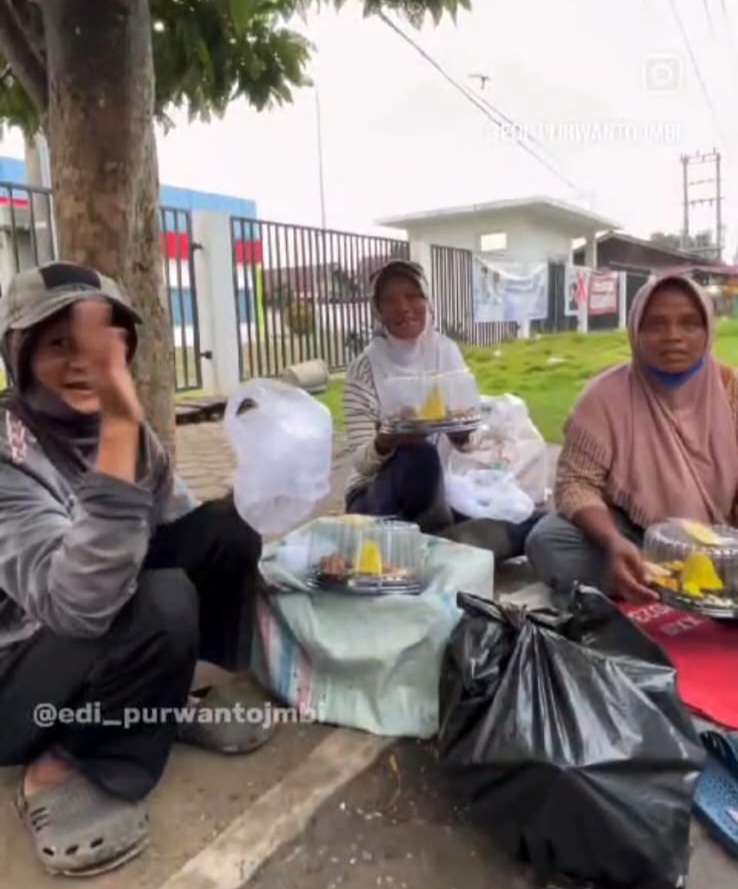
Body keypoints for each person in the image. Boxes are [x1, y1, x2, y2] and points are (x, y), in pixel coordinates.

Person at [0, 261, 272, 877]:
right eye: (59, 344)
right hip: (16, 671)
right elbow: (76, 604)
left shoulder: (129, 432)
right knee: (163, 601)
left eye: (100, 345)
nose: (84, 364)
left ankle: (168, 699)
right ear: (20, 354)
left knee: (227, 530)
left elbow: (181, 527)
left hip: (81, 630)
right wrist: (120, 433)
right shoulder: (9, 448)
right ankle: (60, 764)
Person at [525, 273, 738, 602]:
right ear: (635, 330)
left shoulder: (731, 391)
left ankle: (671, 582)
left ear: (708, 329)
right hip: (634, 534)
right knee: (547, 540)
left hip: (724, 539)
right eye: (656, 325)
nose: (673, 336)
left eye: (689, 324)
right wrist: (612, 541)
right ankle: (650, 576)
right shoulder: (604, 396)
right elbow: (576, 484)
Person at [343, 259, 542, 558]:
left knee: (530, 523)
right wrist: (386, 440)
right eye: (390, 300)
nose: (404, 308)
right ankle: (429, 544)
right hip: (375, 497)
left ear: (427, 301)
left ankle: (428, 545)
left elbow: (469, 432)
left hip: (433, 492)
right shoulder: (364, 368)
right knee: (417, 455)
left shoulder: (446, 352)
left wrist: (462, 436)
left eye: (413, 296)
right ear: (378, 310)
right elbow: (362, 464)